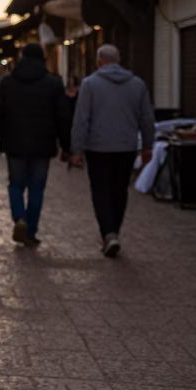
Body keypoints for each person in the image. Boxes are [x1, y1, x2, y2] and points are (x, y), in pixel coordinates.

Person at [69, 44, 155, 258]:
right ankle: (114, 230)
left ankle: (108, 233)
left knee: (100, 191)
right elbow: (147, 118)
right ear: (118, 60)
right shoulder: (137, 84)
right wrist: (147, 145)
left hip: (97, 147)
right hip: (126, 147)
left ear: (99, 61)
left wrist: (76, 149)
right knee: (119, 191)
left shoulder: (89, 85)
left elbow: (81, 119)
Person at [0, 42, 70, 247]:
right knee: (36, 189)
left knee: (15, 185)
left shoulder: (8, 82)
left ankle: (19, 218)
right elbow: (63, 117)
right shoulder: (53, 83)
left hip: (14, 144)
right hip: (43, 144)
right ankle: (30, 231)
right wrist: (67, 145)